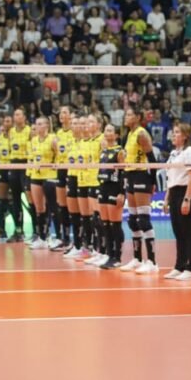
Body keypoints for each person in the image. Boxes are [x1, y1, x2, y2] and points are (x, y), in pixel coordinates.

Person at [120, 105, 158, 274]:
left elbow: (152, 159)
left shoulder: (142, 134)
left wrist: (153, 182)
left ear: (137, 117)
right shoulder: (129, 134)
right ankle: (137, 258)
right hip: (130, 175)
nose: (126, 117)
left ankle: (152, 262)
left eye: (129, 114)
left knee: (143, 219)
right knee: (133, 220)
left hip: (142, 176)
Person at [165, 123, 191, 280]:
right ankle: (179, 266)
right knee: (178, 232)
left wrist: (187, 199)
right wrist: (167, 199)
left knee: (188, 231)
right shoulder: (173, 153)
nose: (173, 135)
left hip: (186, 192)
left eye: (177, 132)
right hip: (174, 192)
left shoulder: (190, 152)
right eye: (173, 132)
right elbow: (170, 178)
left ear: (185, 136)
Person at [97, 123, 127, 270]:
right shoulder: (103, 151)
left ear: (116, 135)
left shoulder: (120, 151)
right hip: (103, 187)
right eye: (105, 130)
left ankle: (117, 257)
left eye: (110, 130)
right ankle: (109, 255)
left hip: (115, 188)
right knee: (105, 223)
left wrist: (122, 192)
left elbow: (124, 172)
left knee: (115, 223)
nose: (106, 132)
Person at [28, 116, 59, 249]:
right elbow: (32, 157)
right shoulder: (33, 140)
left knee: (52, 207)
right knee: (39, 208)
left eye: (40, 124)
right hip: (36, 175)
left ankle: (54, 236)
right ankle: (42, 237)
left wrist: (54, 168)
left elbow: (59, 157)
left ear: (47, 125)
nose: (37, 126)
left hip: (50, 176)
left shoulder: (53, 139)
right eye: (36, 124)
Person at [78, 114, 105, 266]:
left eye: (91, 122)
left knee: (100, 218)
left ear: (99, 125)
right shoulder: (88, 141)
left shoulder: (102, 140)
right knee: (93, 217)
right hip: (88, 180)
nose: (87, 124)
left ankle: (103, 250)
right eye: (87, 122)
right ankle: (96, 250)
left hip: (98, 182)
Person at [5, 108, 32, 243]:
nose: (16, 117)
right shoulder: (11, 132)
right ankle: (18, 230)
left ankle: (38, 231)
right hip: (14, 165)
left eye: (19, 114)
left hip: (25, 165)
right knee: (14, 199)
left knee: (30, 199)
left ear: (24, 117)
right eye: (14, 114)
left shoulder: (29, 131)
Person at [63, 115, 87, 258]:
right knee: (74, 214)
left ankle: (86, 245)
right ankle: (77, 244)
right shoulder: (70, 142)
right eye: (72, 123)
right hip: (72, 177)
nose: (74, 126)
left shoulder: (86, 142)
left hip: (83, 178)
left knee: (85, 214)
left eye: (77, 123)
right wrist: (67, 181)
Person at [52, 106, 75, 251]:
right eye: (60, 112)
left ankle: (78, 241)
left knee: (73, 206)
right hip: (60, 170)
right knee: (62, 205)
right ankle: (64, 238)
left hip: (71, 171)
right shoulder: (59, 133)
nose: (62, 115)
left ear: (71, 116)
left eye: (65, 112)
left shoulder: (74, 132)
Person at [0, 115, 14, 241]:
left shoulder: (15, 138)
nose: (5, 125)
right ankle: (0, 229)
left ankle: (18, 230)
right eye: (4, 122)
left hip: (13, 171)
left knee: (12, 201)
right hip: (0, 173)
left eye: (8, 122)